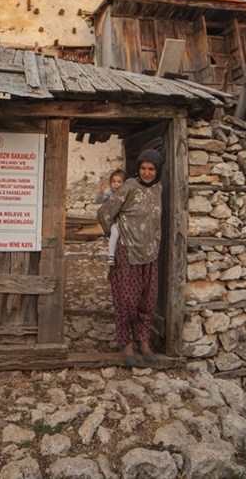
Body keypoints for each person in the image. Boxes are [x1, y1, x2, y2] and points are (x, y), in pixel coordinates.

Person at [97, 149, 163, 367]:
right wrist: (115, 234)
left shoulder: (158, 188)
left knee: (148, 300)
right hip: (127, 252)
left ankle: (143, 341)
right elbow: (105, 212)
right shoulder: (129, 187)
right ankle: (126, 343)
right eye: (143, 168)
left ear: (157, 170)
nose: (146, 172)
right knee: (127, 301)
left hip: (150, 254)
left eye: (151, 169)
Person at [96, 169, 126, 266]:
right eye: (113, 182)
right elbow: (99, 201)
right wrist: (101, 192)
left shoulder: (126, 194)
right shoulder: (110, 193)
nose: (116, 184)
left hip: (125, 221)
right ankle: (111, 255)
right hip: (114, 221)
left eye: (119, 182)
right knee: (114, 233)